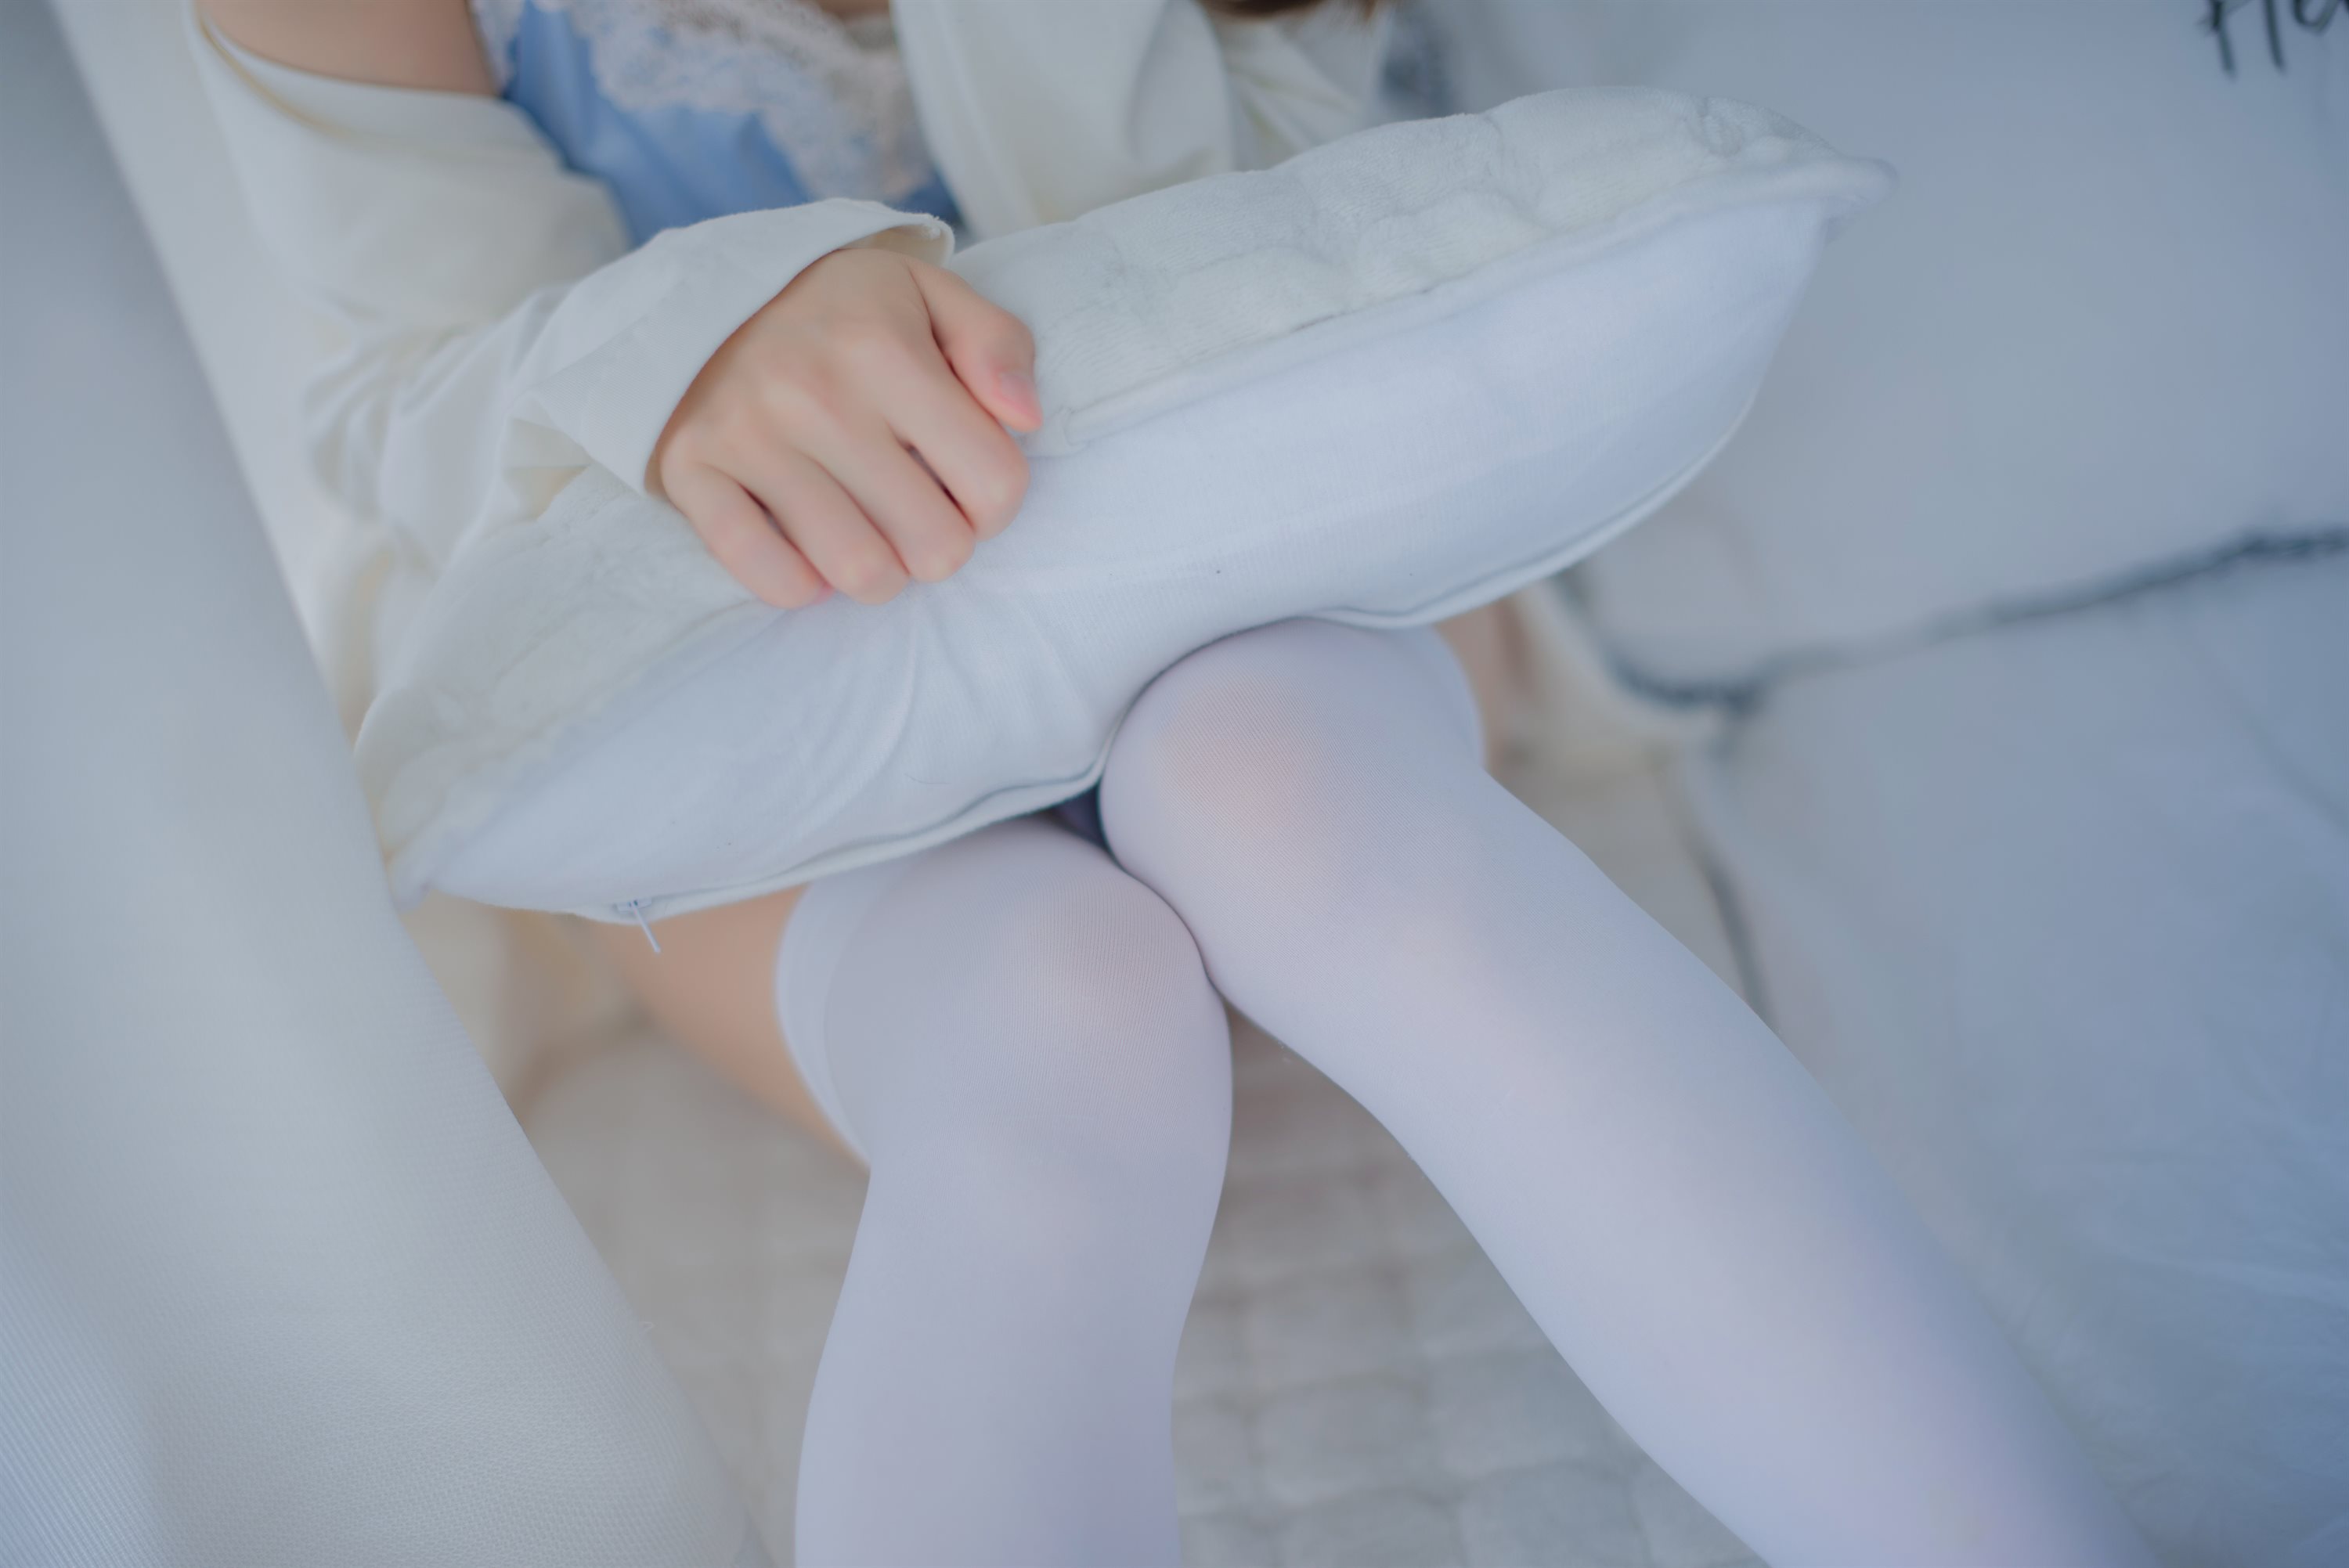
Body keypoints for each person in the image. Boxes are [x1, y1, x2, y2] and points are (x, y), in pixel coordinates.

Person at [194, 2, 2155, 1563]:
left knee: (1283, 795)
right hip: (751, 705)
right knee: (1057, 1010)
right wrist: (690, 349)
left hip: (1259, 573)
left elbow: (1292, 237)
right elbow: (402, 386)